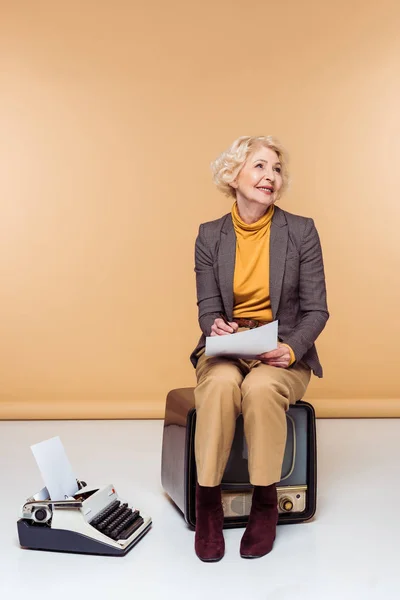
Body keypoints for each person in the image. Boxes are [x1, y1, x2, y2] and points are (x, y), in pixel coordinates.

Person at [189, 135, 329, 562]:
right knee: (218, 387)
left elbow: (316, 311)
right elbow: (207, 308)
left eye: (277, 169)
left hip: (282, 353)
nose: (271, 177)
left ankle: (265, 503)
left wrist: (290, 350)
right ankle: (207, 503)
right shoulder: (209, 236)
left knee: (262, 389)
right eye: (260, 167)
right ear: (233, 175)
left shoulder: (300, 231)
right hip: (229, 349)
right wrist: (214, 325)